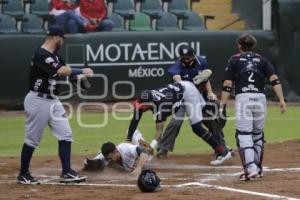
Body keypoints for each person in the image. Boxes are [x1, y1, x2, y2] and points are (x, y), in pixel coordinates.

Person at [17, 25, 94, 184]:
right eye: (62, 38)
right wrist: (82, 70)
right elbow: (60, 71)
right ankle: (23, 174)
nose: (63, 41)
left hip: (53, 101)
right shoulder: (41, 54)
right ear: (55, 37)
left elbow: (66, 71)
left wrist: (78, 79)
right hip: (38, 101)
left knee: (66, 134)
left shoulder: (56, 56)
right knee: (32, 140)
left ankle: (66, 172)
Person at [220, 33, 286, 181]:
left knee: (244, 135)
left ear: (239, 45)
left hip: (244, 98)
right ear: (253, 45)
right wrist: (281, 99)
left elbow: (228, 84)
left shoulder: (234, 60)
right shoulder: (262, 60)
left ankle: (251, 169)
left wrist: (222, 104)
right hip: (260, 99)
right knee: (257, 135)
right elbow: (274, 80)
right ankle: (258, 168)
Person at [126, 81, 233, 165]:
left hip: (188, 92)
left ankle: (222, 152)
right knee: (203, 117)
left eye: (141, 105)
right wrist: (128, 140)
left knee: (197, 127)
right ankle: (208, 109)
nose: (139, 107)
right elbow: (135, 118)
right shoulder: (145, 99)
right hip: (181, 88)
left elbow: (159, 133)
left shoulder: (161, 107)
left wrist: (151, 148)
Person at [157, 45, 232, 163]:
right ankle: (163, 149)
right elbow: (176, 77)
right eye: (183, 58)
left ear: (193, 56)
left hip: (198, 97)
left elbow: (206, 79)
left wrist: (211, 93)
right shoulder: (178, 65)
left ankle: (223, 147)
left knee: (211, 121)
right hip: (182, 98)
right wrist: (184, 84)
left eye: (188, 58)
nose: (186, 60)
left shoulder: (201, 62)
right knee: (175, 123)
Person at [83, 130, 153, 175]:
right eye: (108, 159)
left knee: (148, 151)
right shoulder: (105, 156)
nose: (109, 160)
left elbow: (144, 152)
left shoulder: (125, 148)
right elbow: (89, 164)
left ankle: (137, 136)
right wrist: (86, 166)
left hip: (141, 153)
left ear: (115, 151)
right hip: (130, 161)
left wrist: (138, 168)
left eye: (110, 158)